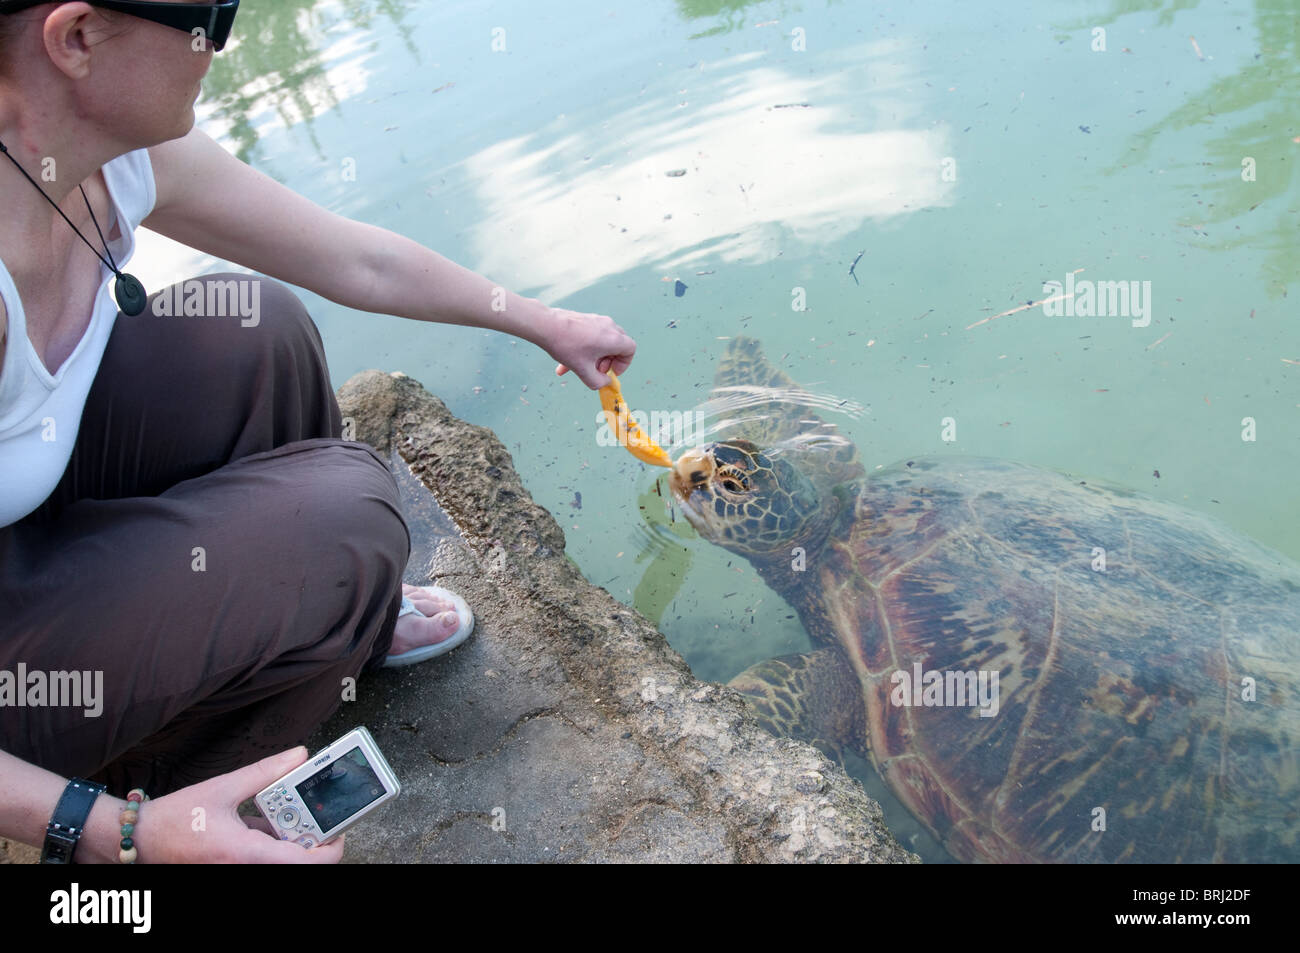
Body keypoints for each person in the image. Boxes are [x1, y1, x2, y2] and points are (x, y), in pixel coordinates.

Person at [0, 1, 635, 863]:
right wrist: (114, 836)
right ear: (76, 38)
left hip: (26, 539)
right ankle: (190, 794)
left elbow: (353, 259)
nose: (222, 43)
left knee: (254, 331)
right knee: (343, 518)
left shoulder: (105, 152)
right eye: (210, 15)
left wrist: (540, 320)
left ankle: (343, 630)